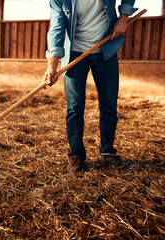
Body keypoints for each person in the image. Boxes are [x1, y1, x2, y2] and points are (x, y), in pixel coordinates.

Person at [43, 0, 137, 173]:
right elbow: (56, 26)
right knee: (74, 108)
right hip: (75, 55)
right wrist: (52, 66)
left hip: (106, 51)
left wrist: (123, 17)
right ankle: (75, 156)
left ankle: (108, 151)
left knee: (109, 105)